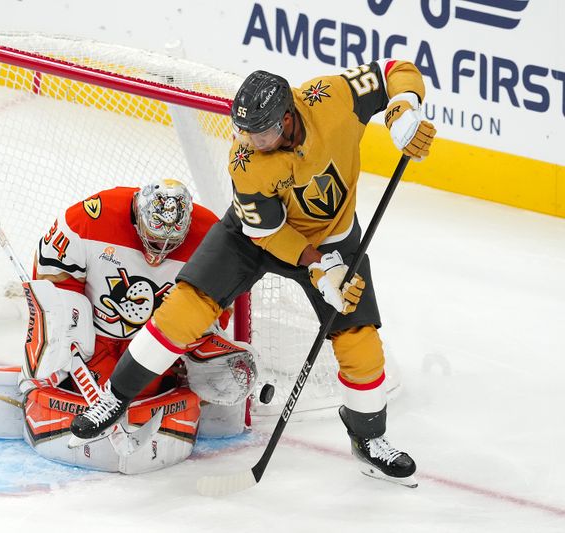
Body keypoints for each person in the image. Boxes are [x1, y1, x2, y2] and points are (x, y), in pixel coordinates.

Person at [70, 59, 436, 486]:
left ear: (287, 118)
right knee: (185, 308)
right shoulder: (245, 160)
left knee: (360, 341)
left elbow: (394, 69)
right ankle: (114, 397)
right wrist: (319, 267)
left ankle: (369, 440)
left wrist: (403, 108)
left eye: (260, 133)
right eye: (244, 131)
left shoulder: (330, 99)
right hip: (255, 237)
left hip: (334, 238)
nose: (249, 141)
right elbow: (268, 233)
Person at [0, 179, 258, 474]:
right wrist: (66, 328)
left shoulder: (211, 234)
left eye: (171, 243)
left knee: (206, 362)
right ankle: (42, 378)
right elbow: (52, 276)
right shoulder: (90, 217)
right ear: (137, 215)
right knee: (59, 333)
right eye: (153, 238)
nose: (160, 251)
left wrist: (187, 353)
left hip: (159, 341)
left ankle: (184, 381)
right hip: (98, 339)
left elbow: (216, 305)